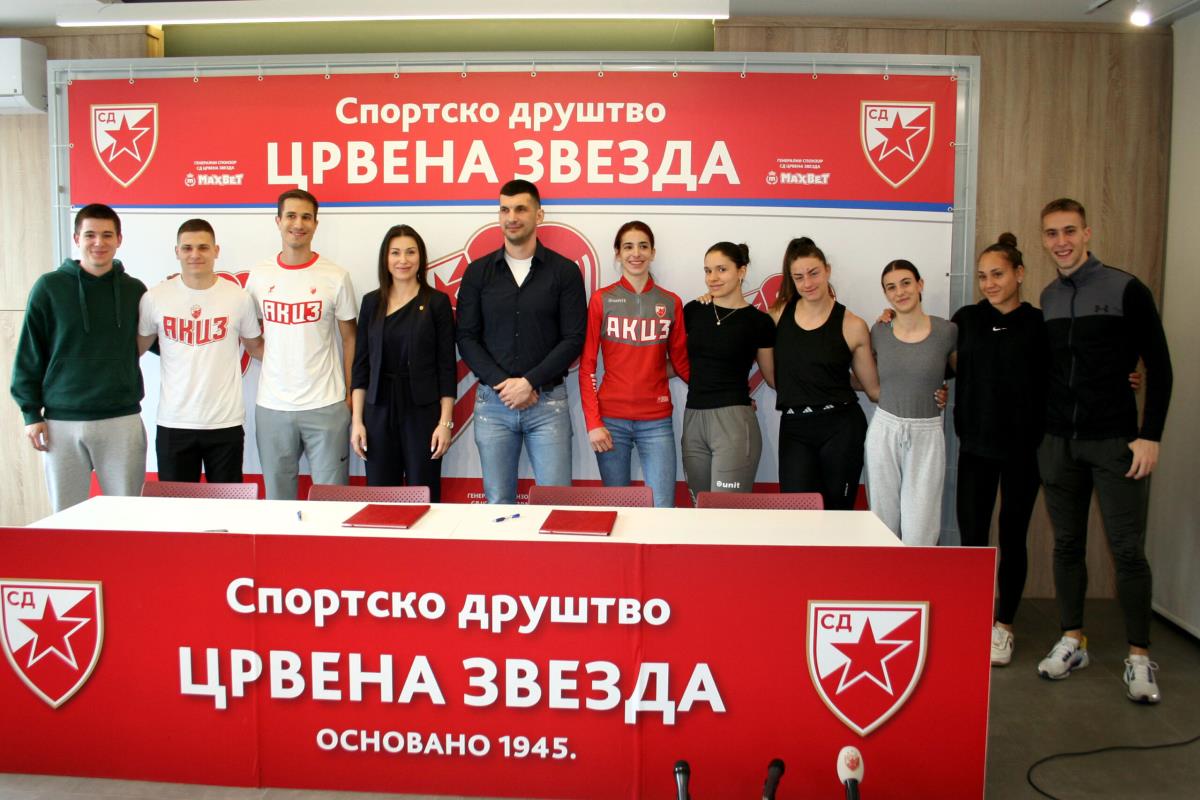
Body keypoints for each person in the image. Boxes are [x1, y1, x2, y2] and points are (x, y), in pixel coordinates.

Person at [1035, 198, 1172, 704]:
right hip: (1059, 444)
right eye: (1052, 233)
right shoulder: (1048, 296)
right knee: (1067, 545)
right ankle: (1073, 640)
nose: (1061, 242)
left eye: (1069, 231)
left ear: (1087, 233)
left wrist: (1150, 435)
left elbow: (1160, 365)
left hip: (1116, 442)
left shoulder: (1126, 288)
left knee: (1127, 550)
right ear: (1044, 239)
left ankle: (1139, 656)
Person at [455, 179, 587, 504]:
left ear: (539, 215)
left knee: (556, 503)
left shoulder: (565, 272)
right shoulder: (477, 273)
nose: (511, 217)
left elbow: (573, 339)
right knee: (498, 503)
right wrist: (505, 385)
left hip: (548, 405)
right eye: (504, 210)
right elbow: (467, 337)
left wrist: (528, 382)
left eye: (520, 209)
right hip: (493, 404)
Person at [11, 203, 148, 511]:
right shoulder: (49, 288)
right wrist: (31, 414)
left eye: (107, 235)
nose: (99, 242)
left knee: (127, 515)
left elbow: (164, 342)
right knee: (66, 516)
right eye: (90, 235)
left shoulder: (134, 291)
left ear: (119, 239)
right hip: (62, 422)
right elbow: (30, 354)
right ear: (76, 239)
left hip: (121, 419)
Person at [952, 234, 1048, 666]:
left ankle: (1004, 626)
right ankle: (973, 619)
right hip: (974, 446)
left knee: (1012, 536)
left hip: (1024, 451)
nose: (989, 283)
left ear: (1019, 274)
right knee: (973, 538)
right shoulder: (967, 319)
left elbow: (1068, 373)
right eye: (982, 276)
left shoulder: (1039, 323)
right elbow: (935, 358)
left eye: (998, 274)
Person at [246, 189, 358, 500]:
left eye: (306, 217)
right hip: (273, 407)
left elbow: (350, 337)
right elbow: (249, 334)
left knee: (331, 501)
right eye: (291, 216)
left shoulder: (335, 276)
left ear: (315, 224)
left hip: (326, 405)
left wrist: (349, 393)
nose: (298, 224)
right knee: (278, 501)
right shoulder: (259, 276)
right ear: (278, 221)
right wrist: (277, 359)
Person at [136, 219, 264, 483]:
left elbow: (256, 348)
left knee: (228, 505)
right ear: (177, 252)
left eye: (203, 247)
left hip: (224, 422)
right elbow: (136, 349)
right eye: (187, 248)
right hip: (174, 422)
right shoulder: (155, 297)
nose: (195, 254)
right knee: (176, 505)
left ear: (216, 251)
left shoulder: (238, 297)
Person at [579, 221, 689, 508]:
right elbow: (587, 367)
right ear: (618, 253)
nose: (636, 253)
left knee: (663, 507)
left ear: (653, 252)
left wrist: (725, 394)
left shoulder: (671, 302)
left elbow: (683, 364)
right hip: (610, 422)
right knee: (617, 509)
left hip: (657, 421)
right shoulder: (602, 299)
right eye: (628, 247)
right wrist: (593, 422)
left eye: (643, 246)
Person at [769, 237, 878, 510]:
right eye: (799, 277)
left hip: (841, 428)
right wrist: (711, 299)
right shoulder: (777, 316)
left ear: (827, 270)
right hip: (795, 428)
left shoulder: (853, 325)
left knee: (837, 513)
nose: (807, 282)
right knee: (797, 515)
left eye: (814, 273)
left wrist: (927, 392)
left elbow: (873, 388)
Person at [350, 225, 456, 500]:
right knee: (381, 496)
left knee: (425, 491)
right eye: (395, 253)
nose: (403, 260)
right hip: (378, 410)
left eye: (410, 252)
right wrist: (357, 422)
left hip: (422, 412)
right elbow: (361, 367)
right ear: (385, 258)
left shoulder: (436, 302)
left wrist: (445, 423)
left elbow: (447, 367)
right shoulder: (371, 303)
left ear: (420, 257)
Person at [865, 260, 956, 545]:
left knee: (921, 528)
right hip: (885, 429)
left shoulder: (946, 331)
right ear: (885, 294)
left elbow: (957, 373)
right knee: (882, 523)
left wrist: (944, 391)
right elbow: (867, 377)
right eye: (891, 287)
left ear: (920, 284)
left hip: (926, 432)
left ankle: (917, 575)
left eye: (906, 283)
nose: (900, 292)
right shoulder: (879, 331)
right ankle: (884, 575)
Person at [681, 242, 775, 499]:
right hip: (693, 418)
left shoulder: (759, 322)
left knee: (726, 511)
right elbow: (675, 361)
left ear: (741, 271)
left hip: (734, 421)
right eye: (708, 270)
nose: (713, 278)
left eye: (721, 269)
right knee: (699, 507)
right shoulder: (693, 311)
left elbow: (772, 377)